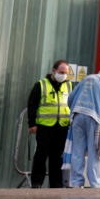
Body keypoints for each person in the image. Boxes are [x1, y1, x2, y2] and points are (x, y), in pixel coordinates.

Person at [66, 69, 100, 189]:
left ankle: (77, 183)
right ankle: (95, 183)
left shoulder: (86, 79)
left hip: (77, 115)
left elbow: (70, 98)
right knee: (94, 152)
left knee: (78, 151)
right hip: (95, 118)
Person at [27, 60, 72, 188]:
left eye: (66, 73)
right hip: (44, 126)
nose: (64, 75)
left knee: (57, 158)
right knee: (41, 155)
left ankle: (56, 184)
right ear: (54, 71)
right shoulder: (41, 85)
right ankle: (36, 182)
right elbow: (32, 105)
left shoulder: (69, 86)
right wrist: (32, 124)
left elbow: (71, 105)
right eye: (61, 72)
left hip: (62, 126)